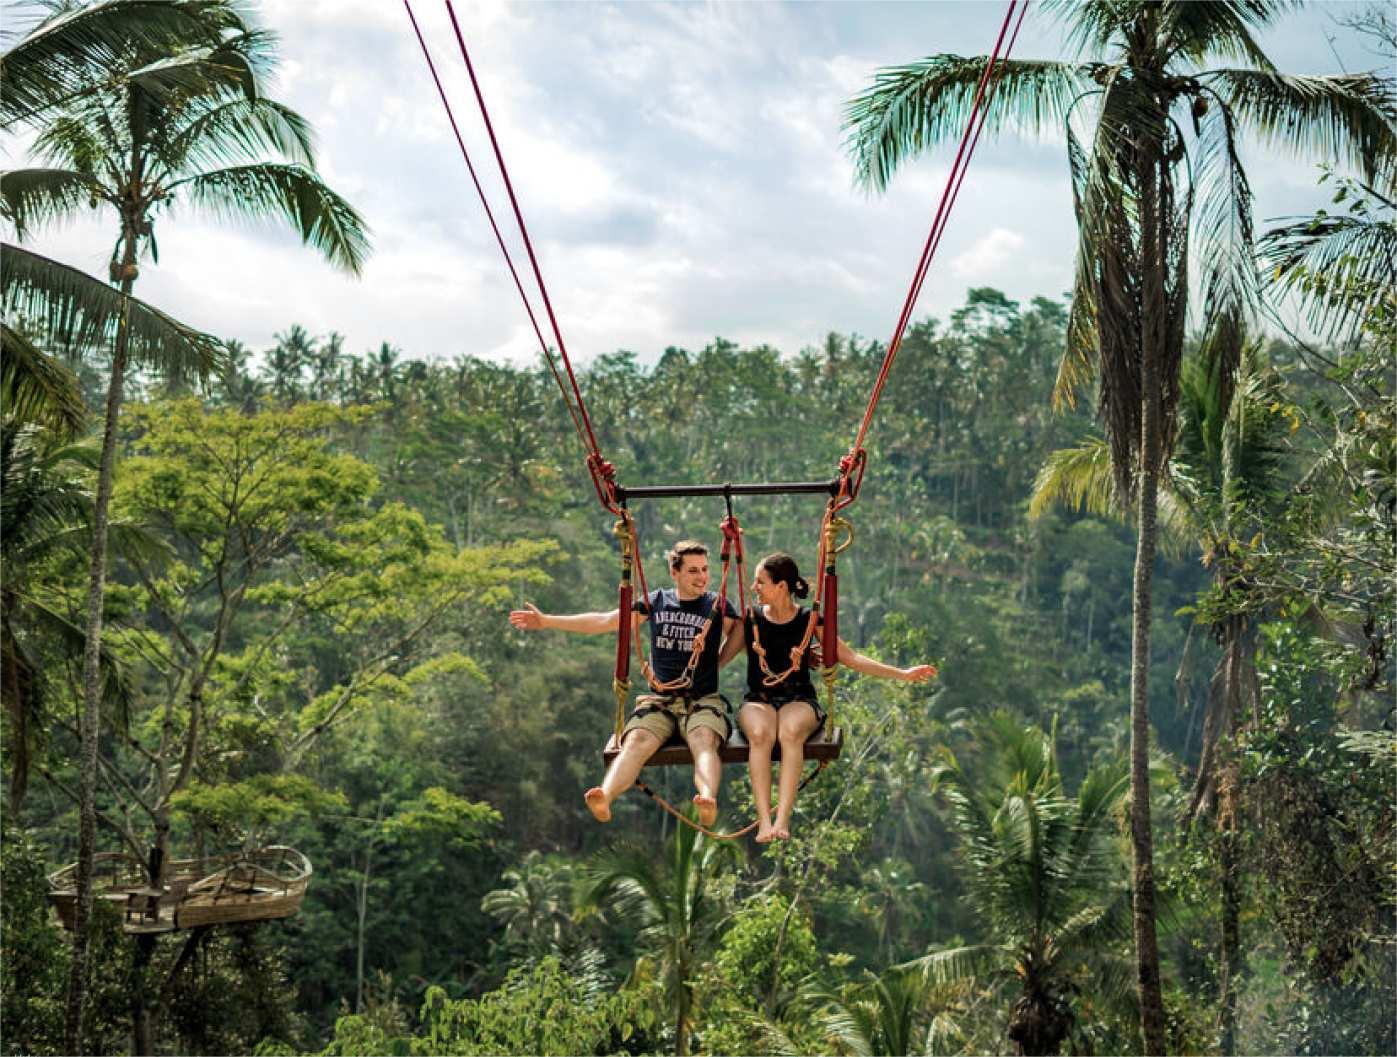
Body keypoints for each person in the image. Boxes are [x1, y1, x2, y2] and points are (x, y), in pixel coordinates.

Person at [508, 539, 740, 827]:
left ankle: (706, 797)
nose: (702, 577)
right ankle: (605, 796)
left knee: (703, 739)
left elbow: (743, 632)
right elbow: (605, 621)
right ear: (675, 573)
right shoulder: (656, 602)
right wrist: (548, 621)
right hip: (661, 700)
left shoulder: (717, 606)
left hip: (702, 699)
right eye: (693, 571)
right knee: (636, 741)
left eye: (705, 570)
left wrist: (719, 661)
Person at [733, 552, 937, 842]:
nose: (755, 587)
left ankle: (782, 819)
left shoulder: (808, 620)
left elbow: (849, 656)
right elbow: (721, 657)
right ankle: (764, 821)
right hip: (759, 698)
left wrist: (901, 674)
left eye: (760, 581)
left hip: (798, 698)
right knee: (760, 733)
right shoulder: (751, 620)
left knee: (790, 732)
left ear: (781, 586)